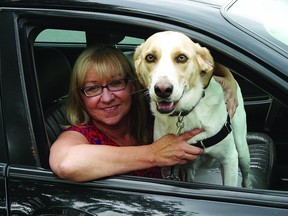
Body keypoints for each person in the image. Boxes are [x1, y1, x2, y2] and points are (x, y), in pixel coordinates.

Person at [49, 46, 238, 182]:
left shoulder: (158, 114)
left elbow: (192, 58)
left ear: (134, 84)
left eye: (116, 83)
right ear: (80, 96)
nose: (106, 98)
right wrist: (154, 153)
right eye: (92, 88)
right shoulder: (79, 135)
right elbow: (67, 163)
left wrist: (228, 77)